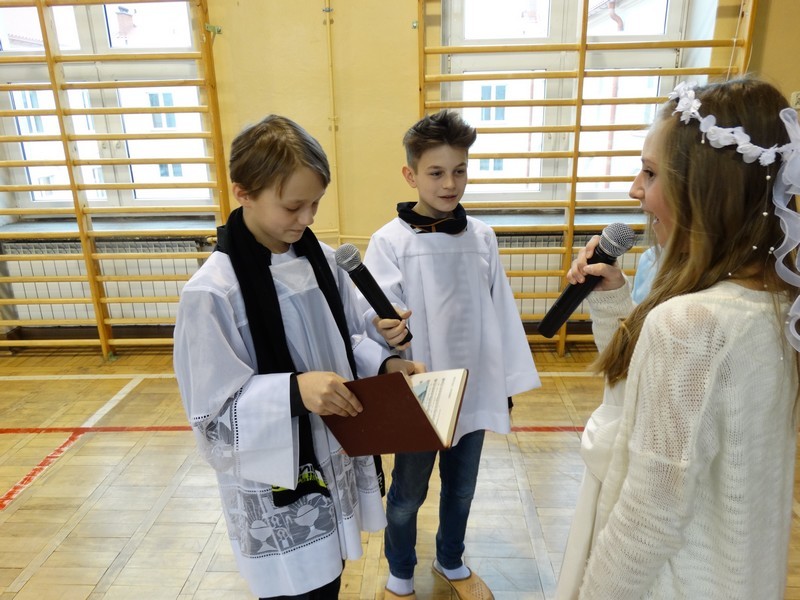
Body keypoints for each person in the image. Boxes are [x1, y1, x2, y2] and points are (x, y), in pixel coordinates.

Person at [555, 77, 800, 600]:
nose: (635, 191)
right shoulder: (779, 303)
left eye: (650, 173)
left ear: (706, 189)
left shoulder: (693, 324)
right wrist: (613, 299)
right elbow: (643, 396)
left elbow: (649, 517)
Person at [173, 115, 424, 599]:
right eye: (293, 206)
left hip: (332, 451)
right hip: (276, 480)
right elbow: (211, 413)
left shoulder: (322, 261)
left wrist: (385, 364)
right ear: (243, 193)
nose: (307, 219)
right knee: (295, 588)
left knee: (328, 579)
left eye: (315, 203)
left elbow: (343, 344)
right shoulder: (213, 292)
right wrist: (294, 390)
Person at [361, 109, 542, 600]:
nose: (449, 184)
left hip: (474, 385)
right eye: (436, 172)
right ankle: (400, 568)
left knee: (462, 488)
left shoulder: (481, 237)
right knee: (408, 493)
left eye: (459, 171)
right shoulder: (389, 241)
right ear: (411, 175)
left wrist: (503, 386)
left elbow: (500, 312)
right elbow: (371, 314)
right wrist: (385, 328)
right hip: (420, 390)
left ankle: (450, 558)